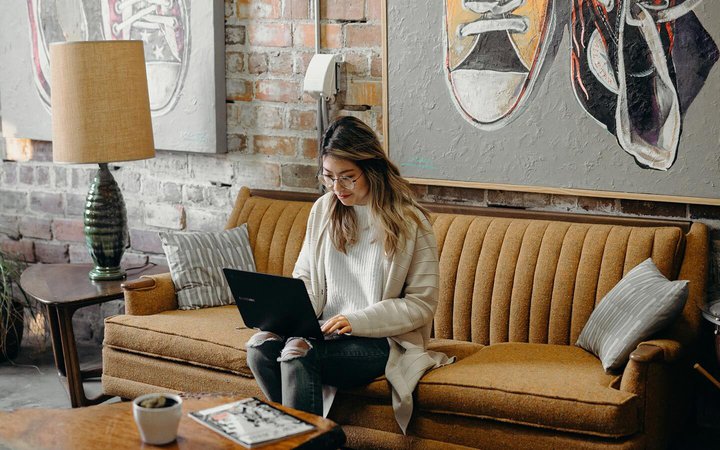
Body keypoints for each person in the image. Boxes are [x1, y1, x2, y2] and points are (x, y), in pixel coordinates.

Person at [245, 116, 453, 433]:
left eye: (348, 178)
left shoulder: (409, 221)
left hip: (381, 340)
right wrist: (285, 314)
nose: (337, 188)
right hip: (323, 331)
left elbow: (421, 304)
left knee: (299, 353)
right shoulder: (323, 209)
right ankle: (314, 437)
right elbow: (307, 281)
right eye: (329, 177)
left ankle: (308, 439)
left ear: (371, 169)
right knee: (259, 349)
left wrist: (357, 320)